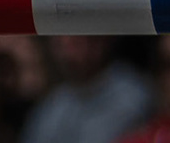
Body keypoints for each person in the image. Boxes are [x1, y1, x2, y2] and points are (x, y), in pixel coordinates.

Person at [20, 44, 150, 143]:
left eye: (78, 38)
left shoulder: (133, 97)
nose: (69, 48)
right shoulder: (50, 106)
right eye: (63, 37)